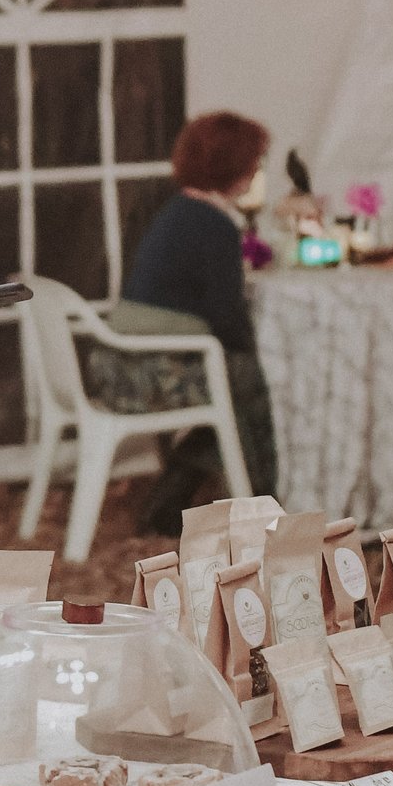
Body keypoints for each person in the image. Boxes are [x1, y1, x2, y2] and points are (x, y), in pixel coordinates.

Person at [110, 111, 280, 534]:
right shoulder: (213, 225)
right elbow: (227, 317)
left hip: (124, 364)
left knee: (236, 389)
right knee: (254, 385)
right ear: (234, 168)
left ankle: (172, 498)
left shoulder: (180, 212)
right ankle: (264, 505)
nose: (257, 170)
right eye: (253, 163)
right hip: (153, 373)